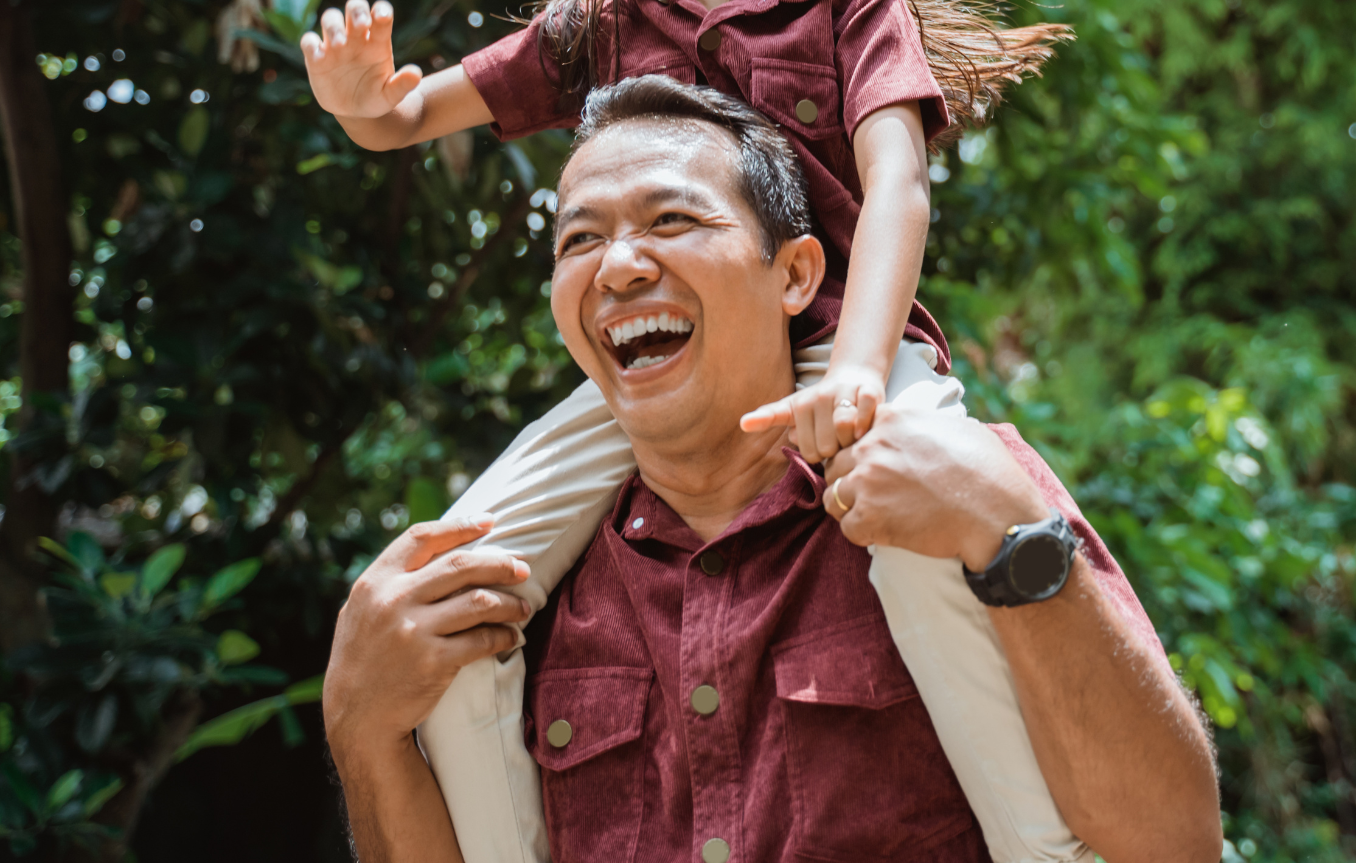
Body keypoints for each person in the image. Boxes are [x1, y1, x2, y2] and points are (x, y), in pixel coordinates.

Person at [303, 0, 1077, 861]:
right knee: (456, 582)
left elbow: (899, 186)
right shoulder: (606, 19)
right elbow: (406, 117)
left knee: (932, 545)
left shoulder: (852, 5)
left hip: (841, 342)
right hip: (662, 363)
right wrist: (358, 97)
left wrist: (862, 373)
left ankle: (1048, 848)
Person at [322, 78, 1223, 863]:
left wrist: (1013, 534)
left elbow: (1172, 844)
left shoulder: (958, 495)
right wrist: (362, 729)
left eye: (671, 220)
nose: (618, 268)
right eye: (578, 241)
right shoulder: (522, 593)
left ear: (794, 276)